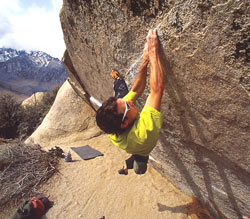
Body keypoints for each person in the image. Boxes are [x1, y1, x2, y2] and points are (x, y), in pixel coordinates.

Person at [96, 29, 164, 174]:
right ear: (125, 122)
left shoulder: (112, 126)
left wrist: (145, 61)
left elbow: (136, 91)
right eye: (128, 105)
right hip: (142, 146)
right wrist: (152, 51)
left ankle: (118, 82)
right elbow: (156, 89)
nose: (131, 102)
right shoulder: (144, 133)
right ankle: (140, 166)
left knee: (122, 92)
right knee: (141, 155)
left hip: (130, 141)